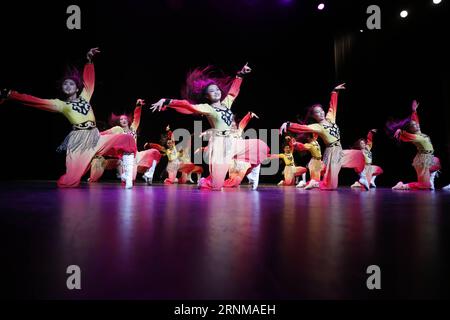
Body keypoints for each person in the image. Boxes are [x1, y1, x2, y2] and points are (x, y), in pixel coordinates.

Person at [0, 48, 136, 188]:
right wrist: (12, 95)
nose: (68, 85)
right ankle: (74, 177)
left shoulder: (85, 96)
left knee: (126, 138)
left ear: (77, 89)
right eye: (65, 84)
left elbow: (89, 81)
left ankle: (126, 176)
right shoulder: (61, 104)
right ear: (63, 89)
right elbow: (36, 101)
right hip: (79, 141)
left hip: (96, 136)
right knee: (70, 181)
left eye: (71, 83)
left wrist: (89, 61)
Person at [151, 64, 269, 190]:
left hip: (233, 142)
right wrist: (167, 101)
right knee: (216, 186)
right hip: (219, 145)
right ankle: (204, 181)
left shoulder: (226, 104)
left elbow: (233, 92)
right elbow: (187, 106)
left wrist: (240, 75)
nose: (216, 92)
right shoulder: (208, 108)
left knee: (259, 146)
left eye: (217, 89)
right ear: (207, 96)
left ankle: (252, 174)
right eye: (212, 91)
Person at [279, 83, 366, 190]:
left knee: (358, 155)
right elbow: (302, 127)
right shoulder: (318, 126)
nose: (321, 113)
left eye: (321, 111)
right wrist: (288, 124)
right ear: (314, 116)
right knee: (331, 186)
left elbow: (333, 106)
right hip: (332, 153)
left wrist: (335, 92)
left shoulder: (330, 118)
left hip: (340, 150)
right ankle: (314, 183)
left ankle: (362, 179)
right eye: (317, 113)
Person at [89, 99, 161, 185]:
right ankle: (101, 168)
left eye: (125, 118)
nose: (123, 120)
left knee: (154, 152)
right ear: (119, 122)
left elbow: (137, 117)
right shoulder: (118, 130)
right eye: (121, 119)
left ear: (128, 120)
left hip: (136, 155)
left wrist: (138, 106)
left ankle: (147, 173)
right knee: (130, 179)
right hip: (125, 158)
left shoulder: (133, 129)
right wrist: (92, 135)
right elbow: (104, 134)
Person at [387, 100, 441, 190]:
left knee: (437, 162)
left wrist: (414, 111)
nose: (416, 125)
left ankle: (430, 180)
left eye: (416, 124)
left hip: (429, 157)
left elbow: (415, 120)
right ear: (410, 129)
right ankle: (402, 186)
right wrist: (400, 131)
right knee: (424, 186)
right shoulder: (413, 136)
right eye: (414, 125)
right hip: (422, 160)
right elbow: (404, 134)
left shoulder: (419, 132)